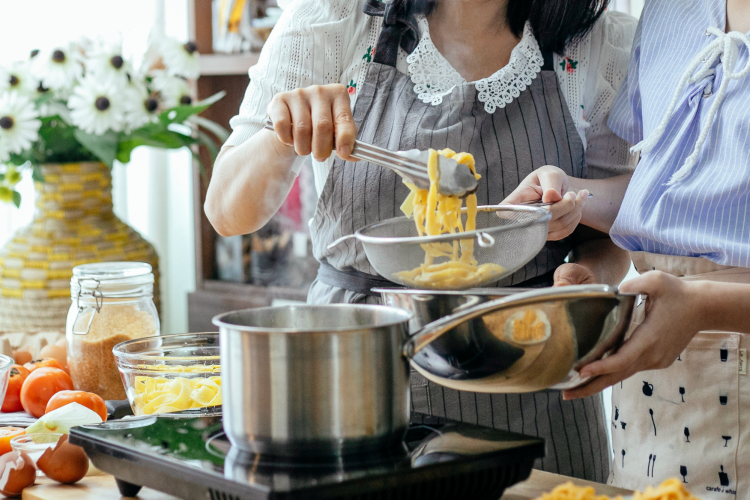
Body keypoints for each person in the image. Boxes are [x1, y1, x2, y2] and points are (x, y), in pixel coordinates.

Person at [206, 0, 638, 482]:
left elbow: (619, 222)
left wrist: (589, 277)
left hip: (533, 372)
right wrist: (281, 135)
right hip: (355, 376)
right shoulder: (335, 21)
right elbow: (226, 211)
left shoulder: (597, 40)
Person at [503, 0, 750, 495]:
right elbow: (662, 193)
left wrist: (702, 304)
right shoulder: (670, 10)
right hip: (654, 384)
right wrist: (573, 196)